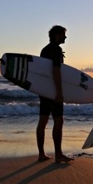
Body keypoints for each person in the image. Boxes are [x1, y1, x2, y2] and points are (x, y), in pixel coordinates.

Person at [37, 25, 74, 163]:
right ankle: (58, 155)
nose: (65, 37)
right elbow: (56, 70)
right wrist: (59, 92)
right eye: (63, 34)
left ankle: (41, 154)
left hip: (44, 90)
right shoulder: (56, 50)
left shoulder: (44, 50)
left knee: (43, 121)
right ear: (57, 35)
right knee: (59, 120)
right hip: (53, 90)